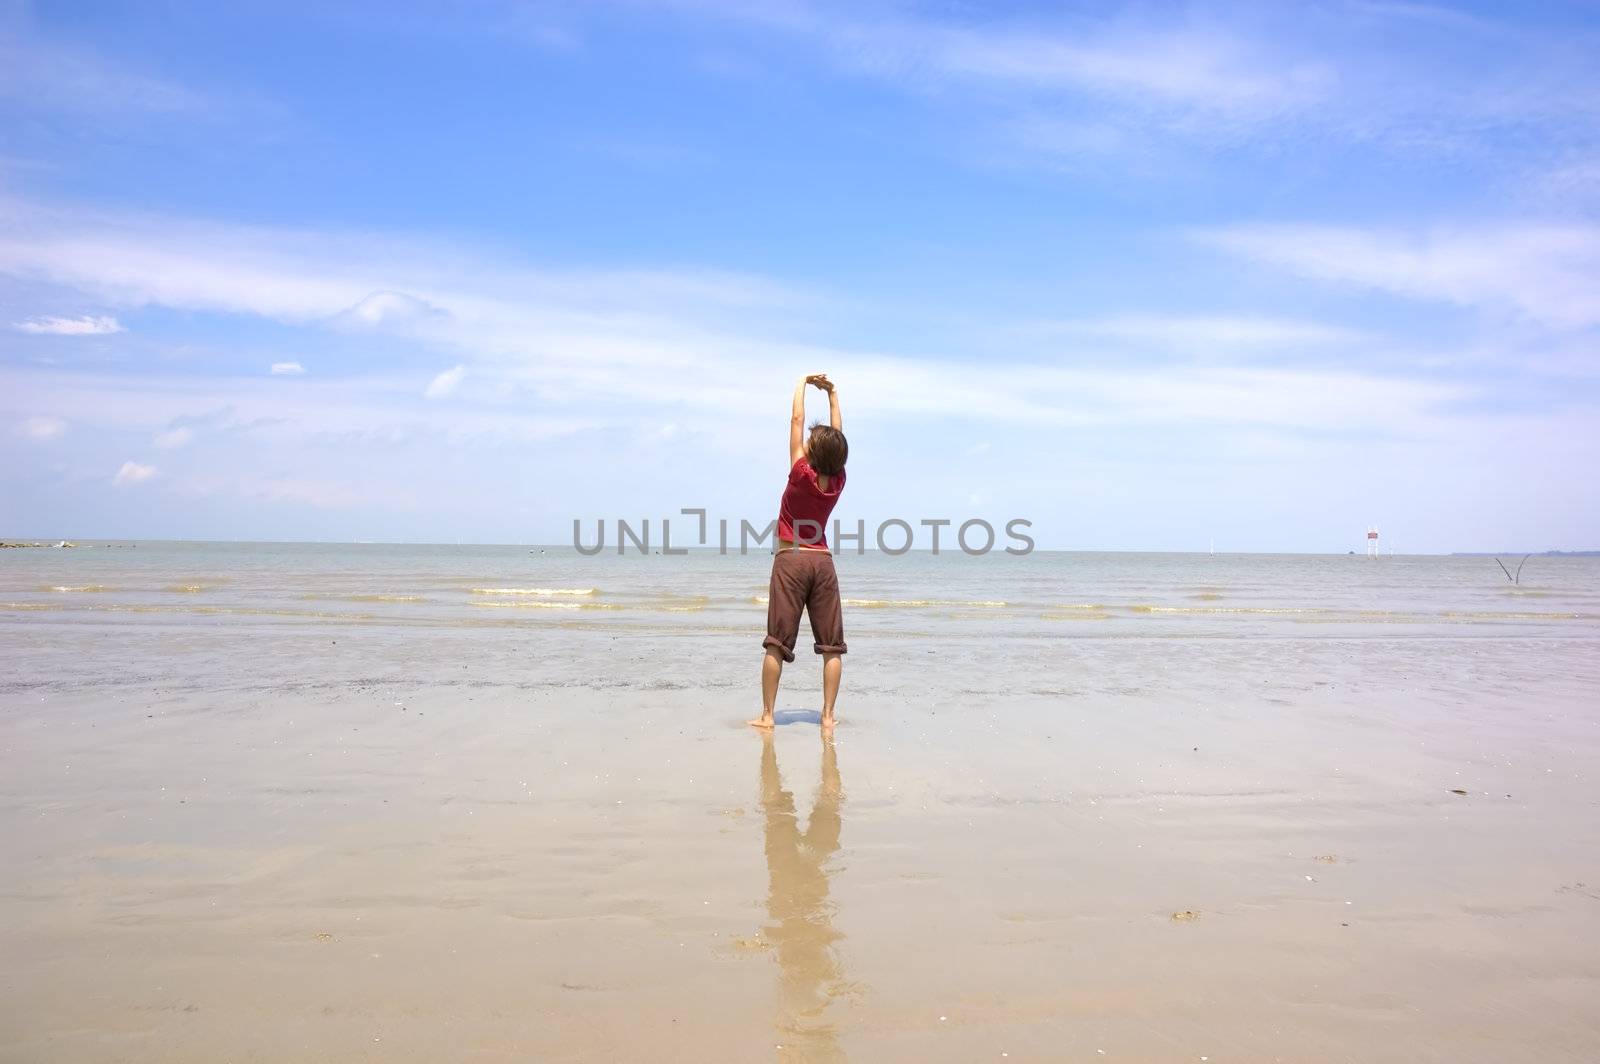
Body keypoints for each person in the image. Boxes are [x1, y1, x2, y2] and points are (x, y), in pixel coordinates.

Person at [749, 373, 848, 734]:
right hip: (822, 562)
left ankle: (768, 715)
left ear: (812, 451)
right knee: (832, 646)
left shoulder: (799, 472)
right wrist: (833, 394)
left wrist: (800, 384)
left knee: (777, 641)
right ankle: (827, 717)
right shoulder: (837, 481)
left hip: (791, 558)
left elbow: (796, 421)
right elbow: (837, 439)